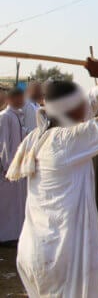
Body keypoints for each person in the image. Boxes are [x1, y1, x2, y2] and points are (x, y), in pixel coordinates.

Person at [7, 58, 98, 298]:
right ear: (71, 109)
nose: (88, 108)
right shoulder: (69, 141)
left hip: (35, 250)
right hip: (62, 256)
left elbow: (91, 101)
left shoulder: (39, 136)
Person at [0, 88, 27, 243]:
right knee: (6, 205)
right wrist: (7, 167)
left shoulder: (16, 116)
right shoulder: (5, 117)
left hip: (16, 167)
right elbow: (4, 144)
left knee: (15, 204)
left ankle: (14, 235)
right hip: (8, 170)